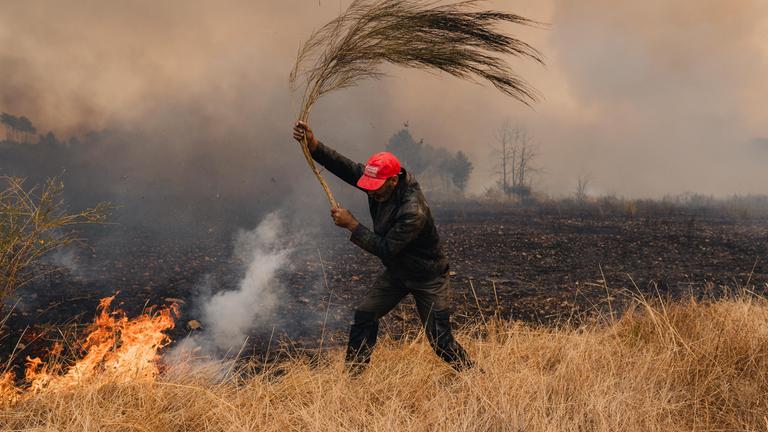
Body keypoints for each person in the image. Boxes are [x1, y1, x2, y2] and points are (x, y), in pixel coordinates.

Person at [292, 121, 474, 374]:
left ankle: (473, 377)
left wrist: (352, 225)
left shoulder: (413, 211)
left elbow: (387, 248)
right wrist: (313, 145)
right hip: (399, 273)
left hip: (428, 278)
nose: (371, 193)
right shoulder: (378, 183)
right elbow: (345, 167)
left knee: (441, 342)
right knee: (365, 315)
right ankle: (354, 379)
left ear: (392, 181)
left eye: (376, 189)